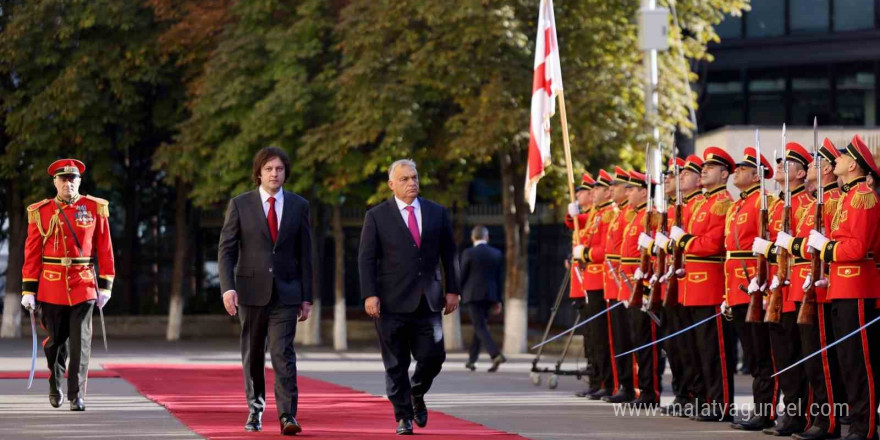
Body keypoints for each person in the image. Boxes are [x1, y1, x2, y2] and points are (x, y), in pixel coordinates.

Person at [358, 159, 460, 435]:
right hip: (390, 302)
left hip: (429, 299)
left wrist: (453, 289)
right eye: (404, 179)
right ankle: (403, 416)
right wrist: (370, 294)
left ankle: (416, 392)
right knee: (396, 363)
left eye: (414, 177)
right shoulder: (377, 216)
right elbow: (366, 259)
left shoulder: (436, 212)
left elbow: (449, 254)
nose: (412, 183)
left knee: (434, 355)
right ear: (392, 185)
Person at [218, 146, 314, 435]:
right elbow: (226, 250)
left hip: (286, 292)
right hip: (249, 292)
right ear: (258, 173)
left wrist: (307, 296)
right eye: (269, 169)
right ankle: (255, 410)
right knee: (254, 353)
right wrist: (227, 288)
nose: (275, 174)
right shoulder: (240, 204)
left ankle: (288, 415)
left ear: (286, 173)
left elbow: (306, 254)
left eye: (280, 169)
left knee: (283, 353)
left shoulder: (299, 206)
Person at [21, 158, 115, 412]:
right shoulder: (40, 211)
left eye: (73, 179)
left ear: (79, 182)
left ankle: (76, 395)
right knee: (55, 343)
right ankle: (55, 382)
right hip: (51, 285)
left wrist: (105, 285)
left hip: (83, 283)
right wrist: (28, 289)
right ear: (55, 182)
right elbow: (31, 253)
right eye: (63, 179)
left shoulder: (95, 208)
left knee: (80, 343)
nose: (68, 184)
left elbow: (105, 249)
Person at [806, 135, 880, 440]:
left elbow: (857, 248)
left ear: (853, 164)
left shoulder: (864, 196)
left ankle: (866, 429)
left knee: (860, 363)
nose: (834, 160)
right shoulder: (848, 196)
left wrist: (824, 248)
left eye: (841, 157)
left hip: (859, 288)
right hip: (841, 286)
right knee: (847, 362)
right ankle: (855, 425)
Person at [657, 147, 735, 422]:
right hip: (689, 285)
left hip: (710, 285)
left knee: (714, 350)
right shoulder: (701, 204)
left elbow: (713, 244)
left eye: (710, 168)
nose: (705, 170)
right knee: (695, 349)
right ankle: (701, 398)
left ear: (724, 174)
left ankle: (720, 403)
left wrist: (682, 241)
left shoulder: (722, 203)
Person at [753, 142, 813, 436]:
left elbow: (803, 247)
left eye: (786, 164)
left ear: (802, 173)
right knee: (782, 355)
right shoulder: (776, 205)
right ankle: (788, 414)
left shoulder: (808, 204)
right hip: (776, 289)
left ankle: (799, 416)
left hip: (795, 289)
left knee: (796, 355)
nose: (778, 167)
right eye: (778, 163)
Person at [722, 146, 779, 431]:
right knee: (752, 351)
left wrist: (767, 285)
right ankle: (760, 409)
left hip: (755, 282)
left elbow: (769, 245)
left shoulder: (764, 202)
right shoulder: (738, 205)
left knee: (761, 351)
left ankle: (766, 410)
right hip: (737, 284)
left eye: (742, 169)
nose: (736, 172)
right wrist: (725, 293)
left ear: (756, 175)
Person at [571, 169, 616, 399]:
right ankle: (599, 381)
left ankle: (607, 383)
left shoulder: (608, 214)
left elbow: (606, 250)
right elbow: (578, 226)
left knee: (602, 337)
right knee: (594, 337)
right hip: (590, 280)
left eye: (597, 188)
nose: (593, 192)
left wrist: (585, 253)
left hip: (601, 280)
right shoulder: (597, 214)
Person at [460, 225, 505, 372]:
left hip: (472, 296)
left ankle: (495, 354)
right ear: (487, 237)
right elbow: (499, 279)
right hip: (490, 296)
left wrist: (455, 293)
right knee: (480, 326)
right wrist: (499, 300)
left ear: (473, 237)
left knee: (479, 326)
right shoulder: (496, 253)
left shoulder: (468, 253)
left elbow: (462, 275)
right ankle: (471, 361)